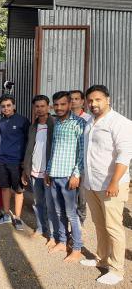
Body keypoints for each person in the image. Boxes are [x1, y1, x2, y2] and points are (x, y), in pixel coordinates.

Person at [80, 85, 132, 285]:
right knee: (99, 225)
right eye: (90, 100)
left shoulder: (120, 123)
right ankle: (102, 258)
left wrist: (114, 181)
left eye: (97, 99)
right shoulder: (90, 123)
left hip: (111, 185)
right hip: (92, 183)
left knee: (113, 227)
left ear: (107, 100)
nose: (93, 103)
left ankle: (117, 270)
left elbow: (125, 154)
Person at [45, 91, 85, 262]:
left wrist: (76, 174)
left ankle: (76, 248)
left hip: (69, 177)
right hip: (55, 174)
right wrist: (48, 170)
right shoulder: (57, 123)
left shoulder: (79, 123)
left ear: (70, 104)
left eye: (63, 104)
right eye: (56, 104)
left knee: (71, 213)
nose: (59, 107)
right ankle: (62, 241)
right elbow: (54, 149)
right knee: (59, 211)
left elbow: (81, 152)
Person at [22, 95, 58, 247]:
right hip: (35, 171)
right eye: (37, 106)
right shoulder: (33, 126)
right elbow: (29, 149)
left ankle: (52, 234)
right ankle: (40, 227)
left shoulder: (55, 123)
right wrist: (26, 169)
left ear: (48, 107)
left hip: (49, 171)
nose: (40, 109)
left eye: (43, 106)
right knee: (38, 202)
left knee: (52, 204)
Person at [0, 94, 30, 230]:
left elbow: (29, 142)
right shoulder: (1, 121)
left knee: (18, 190)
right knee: (5, 187)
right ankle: (7, 215)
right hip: (2, 159)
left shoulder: (23, 121)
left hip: (17, 161)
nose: (6, 108)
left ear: (14, 106)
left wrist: (25, 162)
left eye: (8, 105)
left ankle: (18, 218)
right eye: (3, 106)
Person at [70, 90, 91, 228]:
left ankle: (81, 221)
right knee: (69, 195)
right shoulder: (65, 118)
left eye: (77, 98)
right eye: (71, 99)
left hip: (83, 164)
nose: (74, 101)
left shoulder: (89, 119)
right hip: (68, 162)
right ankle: (71, 223)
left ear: (82, 101)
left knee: (82, 197)